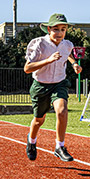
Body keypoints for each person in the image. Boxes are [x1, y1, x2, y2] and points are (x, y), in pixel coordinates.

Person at [23, 13, 82, 162]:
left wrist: (74, 63)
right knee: (39, 120)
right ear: (48, 29)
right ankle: (32, 141)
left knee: (62, 111)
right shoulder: (38, 44)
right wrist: (47, 60)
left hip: (59, 83)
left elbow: (66, 53)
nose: (59, 33)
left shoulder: (67, 44)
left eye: (63, 29)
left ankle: (59, 146)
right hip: (40, 85)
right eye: (56, 29)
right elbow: (27, 68)